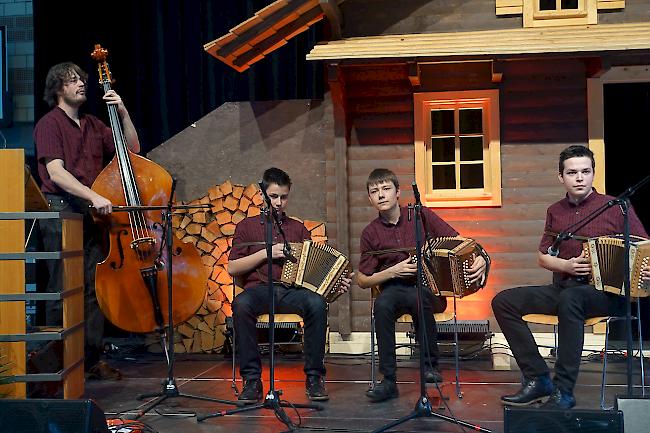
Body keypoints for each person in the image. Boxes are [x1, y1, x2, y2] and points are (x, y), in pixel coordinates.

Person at [492, 145, 650, 409]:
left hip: (608, 294)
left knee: (572, 299)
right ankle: (538, 378)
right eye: (572, 172)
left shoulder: (616, 207)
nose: (579, 178)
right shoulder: (555, 211)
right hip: (565, 289)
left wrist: (646, 267)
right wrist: (566, 265)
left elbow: (645, 245)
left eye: (585, 172)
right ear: (561, 177)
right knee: (504, 301)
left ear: (593, 174)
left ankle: (563, 391)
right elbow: (543, 257)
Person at [35, 62, 140, 379]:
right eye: (72, 80)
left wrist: (122, 111)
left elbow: (131, 149)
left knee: (92, 289)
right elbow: (56, 173)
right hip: (61, 208)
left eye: (82, 79)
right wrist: (93, 196)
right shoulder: (49, 124)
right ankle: (57, 362)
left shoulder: (94, 124)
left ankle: (90, 360)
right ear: (58, 88)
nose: (82, 83)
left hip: (89, 211)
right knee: (62, 287)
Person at [357, 168, 488, 402]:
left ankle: (430, 367)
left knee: (419, 298)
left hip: (428, 286)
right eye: (374, 191)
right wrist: (391, 271)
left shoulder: (419, 215)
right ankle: (388, 380)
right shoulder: (369, 233)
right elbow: (363, 279)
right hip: (393, 287)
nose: (381, 195)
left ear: (398, 192)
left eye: (386, 189)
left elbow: (457, 241)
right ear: (369, 198)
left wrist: (480, 256)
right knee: (382, 305)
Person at [228, 167, 352, 404]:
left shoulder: (298, 228)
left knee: (316, 303)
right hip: (258, 290)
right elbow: (233, 268)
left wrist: (336, 285)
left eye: (283, 197)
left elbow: (315, 272)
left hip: (291, 291)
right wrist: (265, 253)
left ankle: (314, 377)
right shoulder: (246, 226)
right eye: (273, 196)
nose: (278, 202)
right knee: (240, 304)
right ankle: (252, 381)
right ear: (262, 195)